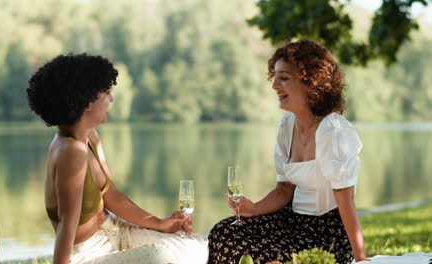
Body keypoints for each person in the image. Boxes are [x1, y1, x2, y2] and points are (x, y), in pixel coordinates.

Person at [26, 54, 208, 264]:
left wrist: (159, 224)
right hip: (89, 253)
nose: (111, 99)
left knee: (199, 247)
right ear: (87, 102)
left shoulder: (89, 135)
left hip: (117, 233)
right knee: (163, 257)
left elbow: (112, 196)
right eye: (106, 92)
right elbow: (67, 223)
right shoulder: (70, 150)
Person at [207, 40, 368, 264]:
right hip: (290, 220)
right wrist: (253, 209)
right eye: (274, 77)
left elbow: (345, 199)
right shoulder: (287, 125)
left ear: (311, 83)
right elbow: (284, 190)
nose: (274, 85)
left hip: (325, 233)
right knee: (224, 233)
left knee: (264, 254)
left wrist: (361, 259)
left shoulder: (333, 130)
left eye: (284, 78)